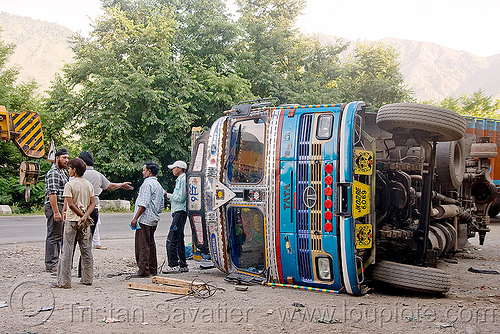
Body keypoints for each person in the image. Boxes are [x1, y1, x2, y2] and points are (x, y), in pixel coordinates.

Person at [74, 151, 133, 278]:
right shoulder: (97, 175)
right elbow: (110, 186)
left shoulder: (76, 173)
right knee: (87, 243)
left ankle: (66, 270)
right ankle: (84, 272)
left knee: (71, 241)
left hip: (76, 209)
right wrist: (122, 185)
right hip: (92, 209)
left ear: (83, 162)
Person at [55, 158, 95, 288]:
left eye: (70, 168)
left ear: (74, 170)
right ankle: (87, 278)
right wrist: (86, 216)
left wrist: (81, 215)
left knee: (67, 250)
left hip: (72, 220)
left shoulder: (70, 185)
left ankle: (64, 282)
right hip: (84, 222)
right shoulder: (89, 185)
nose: (69, 170)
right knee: (86, 250)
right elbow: (93, 203)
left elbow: (70, 205)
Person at [130, 162, 164, 277]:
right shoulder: (158, 185)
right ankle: (152, 269)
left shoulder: (147, 185)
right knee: (150, 244)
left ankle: (143, 270)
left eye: (144, 170)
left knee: (142, 245)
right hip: (153, 218)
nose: (142, 172)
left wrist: (135, 218)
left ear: (149, 171)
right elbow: (161, 205)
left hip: (145, 218)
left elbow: (143, 204)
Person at [44, 148, 69, 274]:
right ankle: (51, 264)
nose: (66, 160)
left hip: (61, 205)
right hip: (55, 205)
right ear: (57, 158)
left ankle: (56, 261)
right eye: (64, 158)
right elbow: (52, 193)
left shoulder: (63, 172)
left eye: (67, 158)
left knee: (59, 235)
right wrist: (56, 212)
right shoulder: (54, 172)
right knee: (53, 235)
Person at [163, 160, 189, 274]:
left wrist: (167, 195)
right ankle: (182, 264)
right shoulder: (180, 180)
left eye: (174, 168)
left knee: (172, 239)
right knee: (179, 239)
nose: (173, 170)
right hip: (178, 212)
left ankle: (173, 264)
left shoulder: (183, 180)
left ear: (180, 168)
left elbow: (180, 197)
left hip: (180, 212)